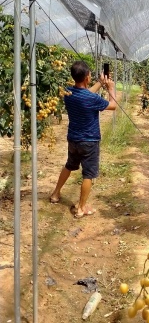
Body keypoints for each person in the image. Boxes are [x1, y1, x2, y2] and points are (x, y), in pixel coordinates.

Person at [50, 60, 116, 218]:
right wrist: (111, 88)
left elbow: (86, 93)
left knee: (69, 165)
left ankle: (55, 194)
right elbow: (113, 105)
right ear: (87, 78)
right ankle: (81, 208)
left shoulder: (68, 93)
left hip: (73, 139)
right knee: (89, 174)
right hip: (89, 142)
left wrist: (100, 83)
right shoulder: (91, 99)